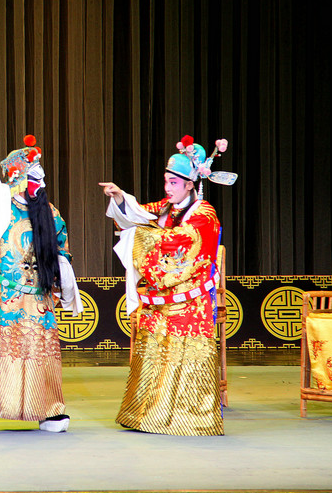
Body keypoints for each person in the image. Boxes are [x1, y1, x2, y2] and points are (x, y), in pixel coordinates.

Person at [99, 134, 234, 436]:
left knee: (184, 358)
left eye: (173, 183)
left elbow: (176, 243)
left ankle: (191, 419)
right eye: (166, 182)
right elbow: (137, 215)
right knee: (153, 354)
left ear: (190, 185)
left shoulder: (205, 215)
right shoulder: (167, 208)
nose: (167, 188)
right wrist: (120, 197)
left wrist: (142, 236)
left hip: (189, 302)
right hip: (161, 299)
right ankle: (145, 415)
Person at [0, 132, 81, 434]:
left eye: (41, 178)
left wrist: (62, 272)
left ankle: (48, 411)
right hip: (0, 295)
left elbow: (62, 247)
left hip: (36, 297)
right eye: (34, 178)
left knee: (37, 351)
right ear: (19, 180)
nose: (40, 184)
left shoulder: (50, 214)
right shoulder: (0, 209)